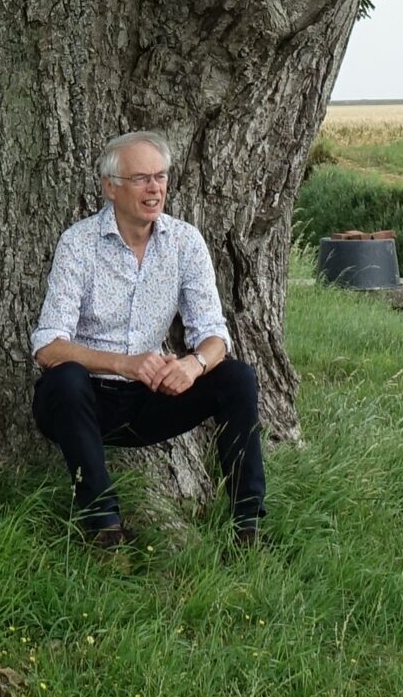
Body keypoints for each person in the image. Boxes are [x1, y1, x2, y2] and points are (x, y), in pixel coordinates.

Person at [30, 130, 266, 550]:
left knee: (236, 378)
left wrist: (192, 365)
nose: (154, 188)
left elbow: (215, 335)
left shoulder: (184, 242)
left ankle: (247, 527)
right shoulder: (79, 244)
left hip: (151, 396)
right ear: (110, 187)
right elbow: (48, 346)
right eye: (141, 178)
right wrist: (123, 363)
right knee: (64, 378)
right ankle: (105, 528)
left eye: (160, 176)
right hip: (85, 403)